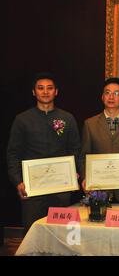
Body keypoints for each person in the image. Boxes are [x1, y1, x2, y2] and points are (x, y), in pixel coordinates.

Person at [7, 72, 81, 233]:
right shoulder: (22, 119)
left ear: (56, 91)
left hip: (61, 187)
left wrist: (74, 171)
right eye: (41, 88)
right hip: (33, 189)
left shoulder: (67, 118)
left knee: (62, 232)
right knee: (34, 232)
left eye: (50, 88)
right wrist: (17, 180)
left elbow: (76, 149)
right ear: (34, 92)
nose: (45, 92)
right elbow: (13, 153)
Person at [80, 78, 119, 203]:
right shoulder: (89, 124)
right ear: (102, 97)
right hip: (99, 192)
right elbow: (84, 155)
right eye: (107, 93)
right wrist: (85, 178)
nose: (111, 97)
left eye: (116, 93)